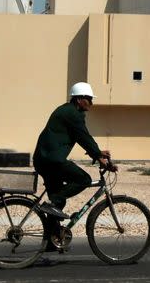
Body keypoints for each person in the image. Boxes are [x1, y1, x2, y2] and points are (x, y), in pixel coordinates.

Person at [33, 82, 111, 220]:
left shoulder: (66, 110)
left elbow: (81, 137)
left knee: (57, 205)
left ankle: (52, 239)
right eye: (89, 99)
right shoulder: (72, 114)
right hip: (52, 161)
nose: (91, 103)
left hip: (43, 160)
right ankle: (54, 201)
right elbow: (83, 136)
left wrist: (97, 152)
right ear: (79, 99)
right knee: (84, 179)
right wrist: (98, 155)